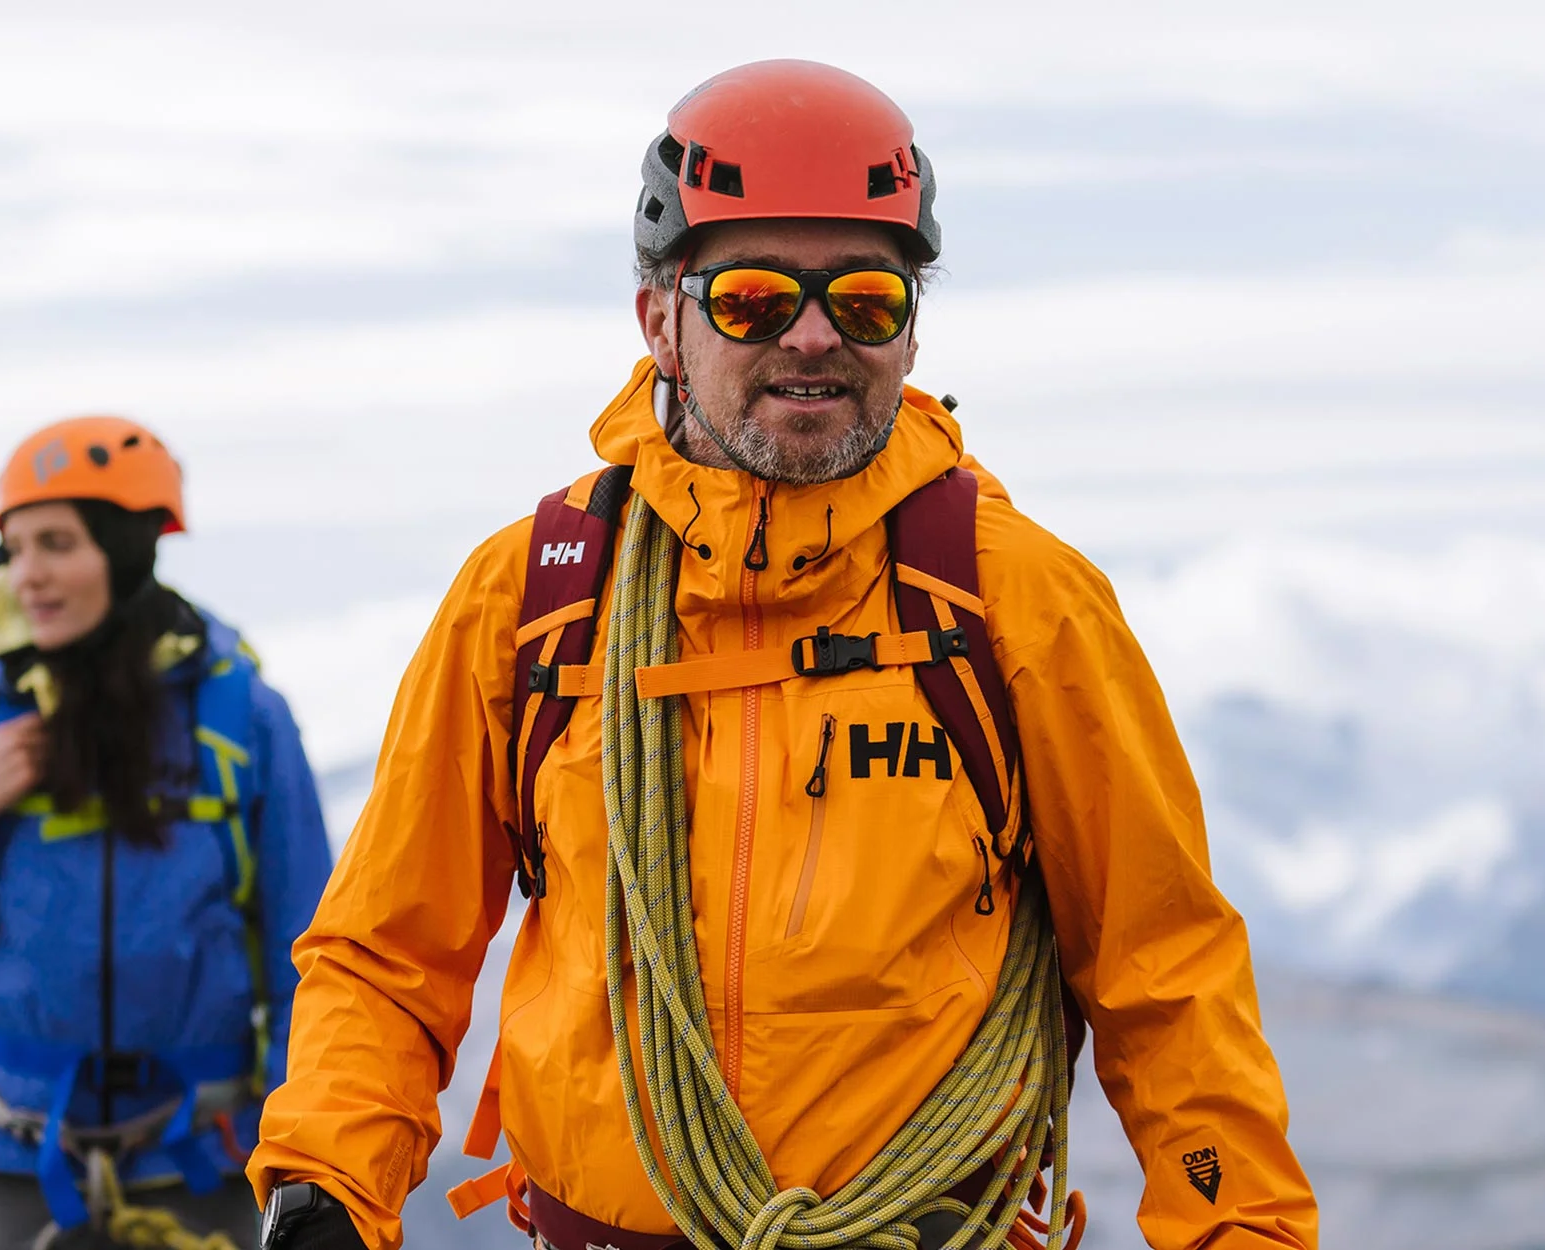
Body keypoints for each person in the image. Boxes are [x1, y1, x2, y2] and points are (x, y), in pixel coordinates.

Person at [246, 61, 1318, 1250]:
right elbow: (391, 946)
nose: (814, 338)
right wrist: (328, 1179)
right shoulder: (536, 595)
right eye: (753, 298)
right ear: (661, 317)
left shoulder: (1016, 597)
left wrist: (1239, 1222)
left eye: (865, 298)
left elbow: (1161, 968)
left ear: (910, 326)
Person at [0, 416, 333, 1250]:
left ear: (124, 550)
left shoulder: (243, 717)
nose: (25, 576)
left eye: (55, 545)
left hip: (204, 1154)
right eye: (13, 548)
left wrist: (297, 1157)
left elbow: (311, 959)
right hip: (15, 1152)